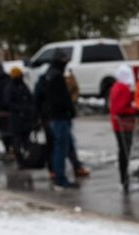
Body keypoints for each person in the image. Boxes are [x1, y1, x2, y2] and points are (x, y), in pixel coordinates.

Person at [35, 51, 80, 188]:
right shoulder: (56, 77)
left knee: (62, 145)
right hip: (59, 117)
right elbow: (62, 98)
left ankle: (67, 170)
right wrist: (70, 111)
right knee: (60, 147)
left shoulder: (48, 75)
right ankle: (60, 177)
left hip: (53, 116)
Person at [109, 64, 139, 191]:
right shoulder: (123, 89)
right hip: (124, 125)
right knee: (124, 152)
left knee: (123, 151)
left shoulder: (116, 86)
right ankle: (124, 178)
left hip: (119, 125)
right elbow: (120, 109)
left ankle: (124, 177)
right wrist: (134, 111)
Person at [6, 66, 37, 168]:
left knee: (26, 141)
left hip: (25, 119)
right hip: (16, 119)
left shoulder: (23, 85)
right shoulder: (10, 87)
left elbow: (30, 99)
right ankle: (21, 161)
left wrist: (29, 109)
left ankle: (27, 159)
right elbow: (9, 103)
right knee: (17, 142)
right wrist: (21, 109)